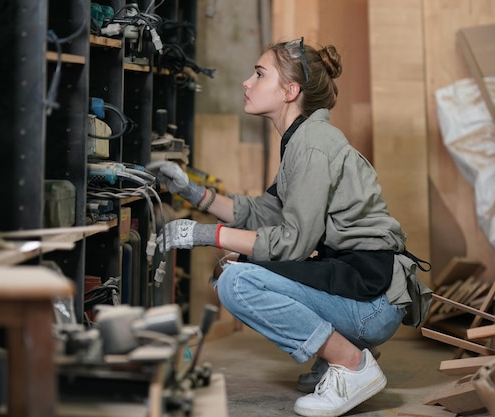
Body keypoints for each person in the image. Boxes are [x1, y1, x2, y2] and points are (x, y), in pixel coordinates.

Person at [148, 37, 431, 417]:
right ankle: (342, 352)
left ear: (290, 90)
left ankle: (350, 364)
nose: (247, 82)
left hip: (371, 299)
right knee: (240, 264)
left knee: (235, 280)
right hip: (363, 286)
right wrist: (194, 193)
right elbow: (267, 211)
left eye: (260, 74)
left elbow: (293, 242)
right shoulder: (303, 138)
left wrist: (204, 235)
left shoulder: (312, 144)